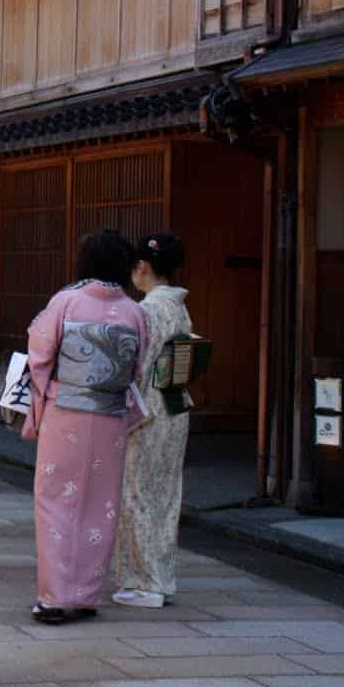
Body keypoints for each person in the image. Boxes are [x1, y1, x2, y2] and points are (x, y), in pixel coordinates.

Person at [23, 230, 147, 625]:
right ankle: (86, 595)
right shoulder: (134, 312)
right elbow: (138, 368)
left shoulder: (66, 301)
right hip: (109, 418)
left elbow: (39, 352)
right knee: (101, 504)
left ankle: (56, 598)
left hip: (66, 414)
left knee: (56, 499)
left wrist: (41, 399)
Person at [113, 233, 193, 609]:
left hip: (148, 408)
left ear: (141, 267)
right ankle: (162, 577)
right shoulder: (179, 307)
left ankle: (144, 582)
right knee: (165, 494)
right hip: (175, 404)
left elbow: (139, 368)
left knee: (137, 494)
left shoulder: (146, 311)